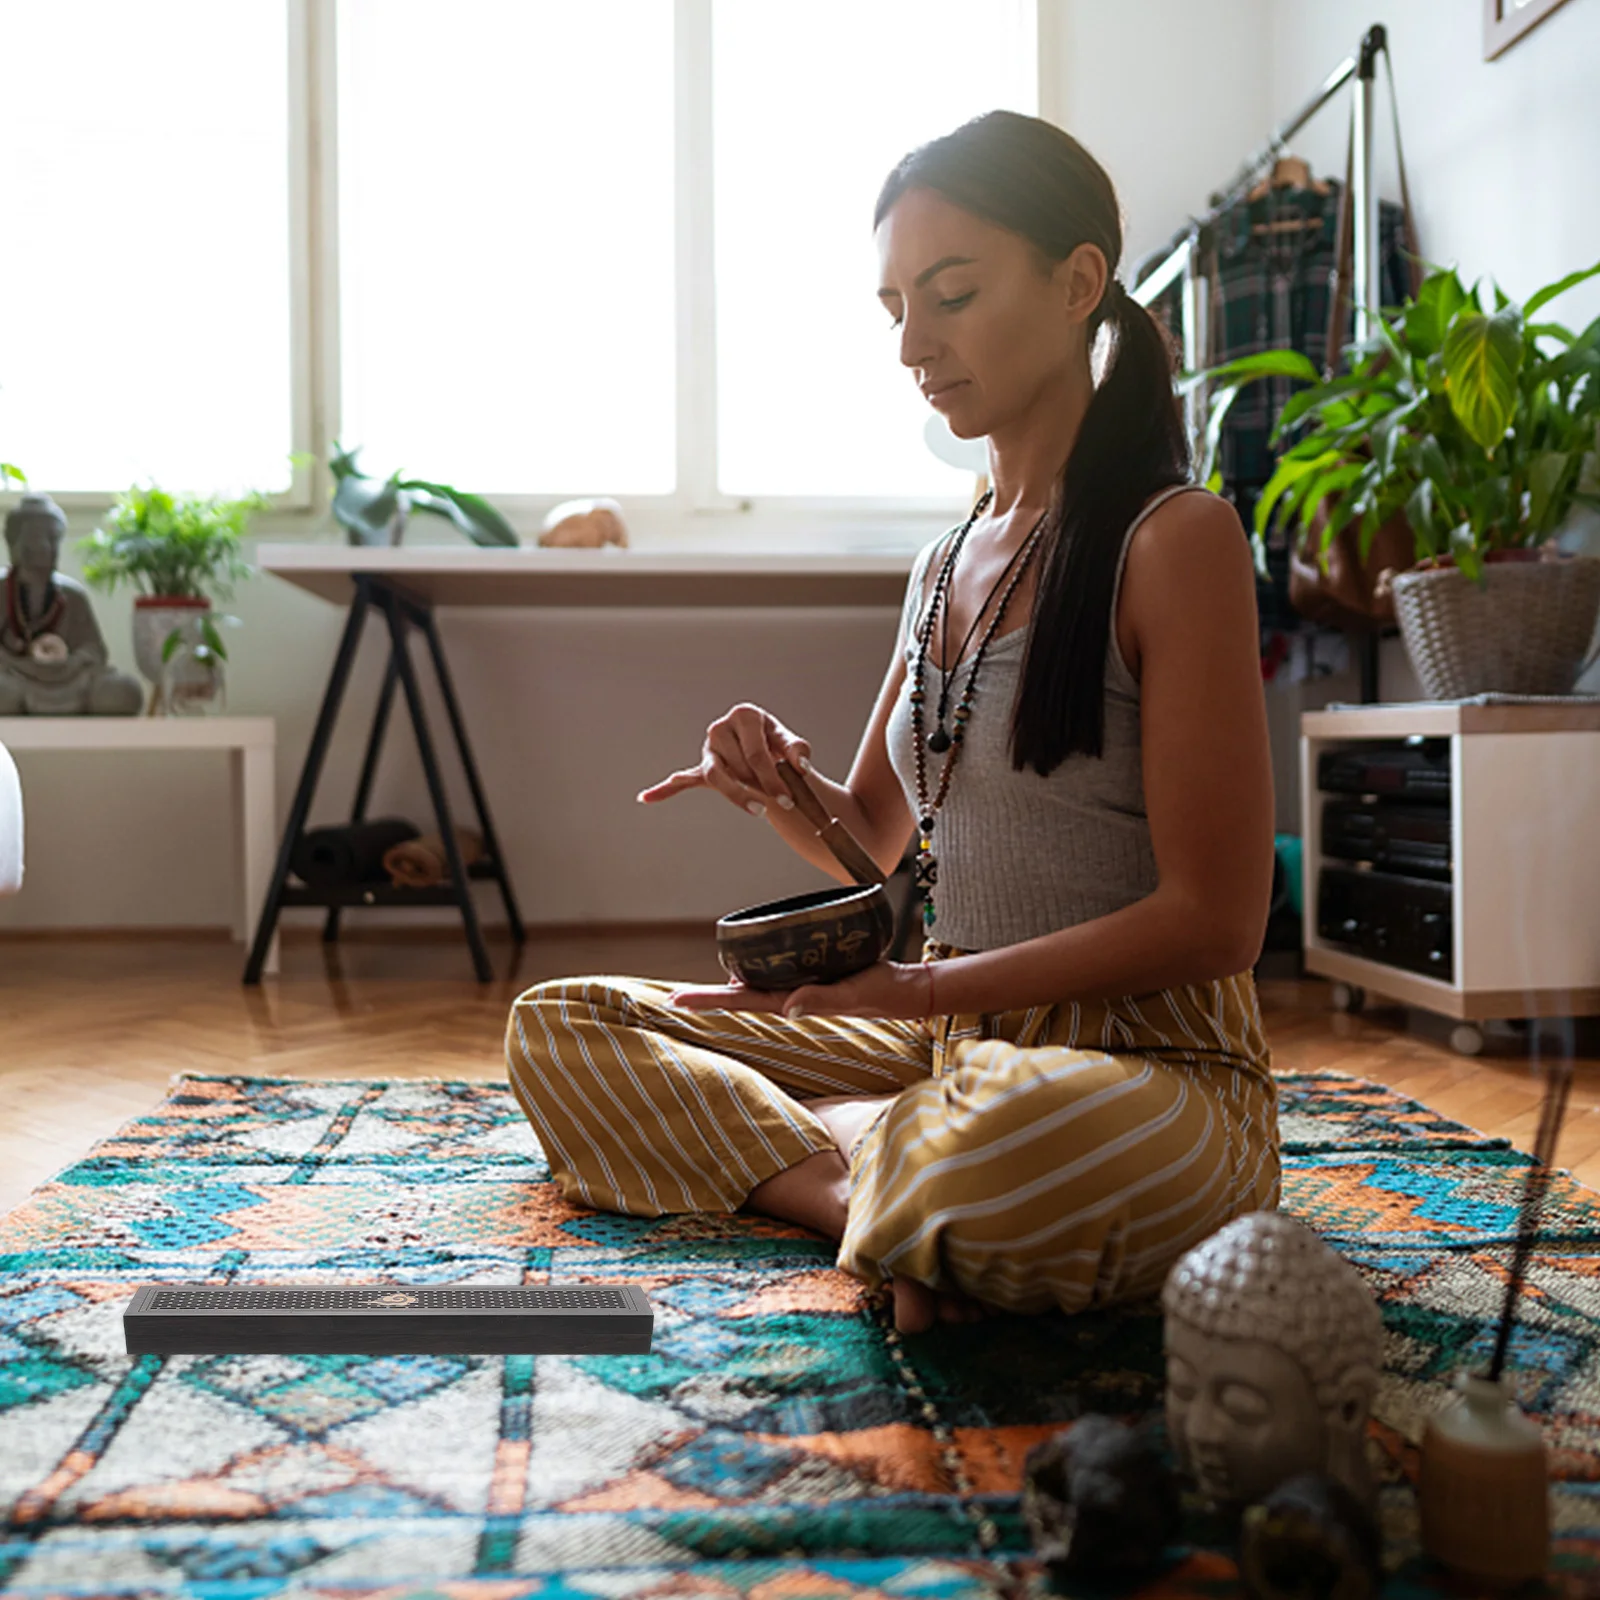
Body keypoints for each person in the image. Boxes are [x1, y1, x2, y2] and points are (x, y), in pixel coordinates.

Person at [504, 110, 1278, 1336]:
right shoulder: (942, 563)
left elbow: (1219, 919)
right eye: (893, 309)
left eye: (952, 294)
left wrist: (917, 993)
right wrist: (772, 788)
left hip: (1145, 1074)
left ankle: (901, 1177)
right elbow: (871, 834)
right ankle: (872, 1196)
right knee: (566, 1025)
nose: (913, 342)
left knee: (990, 1134)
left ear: (1079, 281)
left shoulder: (1173, 539)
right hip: (949, 1051)